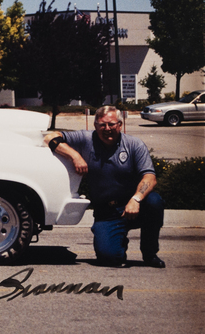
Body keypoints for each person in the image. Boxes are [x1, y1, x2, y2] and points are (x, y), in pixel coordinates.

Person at [44, 105, 165, 268]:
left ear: (120, 125)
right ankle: (118, 242)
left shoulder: (134, 144)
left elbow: (149, 177)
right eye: (102, 125)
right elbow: (50, 137)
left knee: (154, 202)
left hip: (133, 207)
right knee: (109, 258)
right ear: (95, 126)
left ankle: (149, 253)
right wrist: (75, 155)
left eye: (112, 124)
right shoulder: (86, 139)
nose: (107, 129)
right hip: (107, 212)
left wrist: (136, 199)